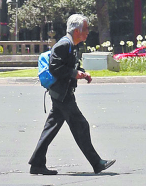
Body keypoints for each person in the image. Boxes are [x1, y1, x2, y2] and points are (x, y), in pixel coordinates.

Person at [28, 14, 115, 176]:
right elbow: (55, 68)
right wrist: (75, 73)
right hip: (62, 94)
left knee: (51, 128)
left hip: (63, 92)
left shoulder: (72, 45)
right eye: (86, 29)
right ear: (76, 31)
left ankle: (37, 163)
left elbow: (70, 66)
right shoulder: (64, 44)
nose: (88, 32)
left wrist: (81, 73)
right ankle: (97, 163)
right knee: (81, 125)